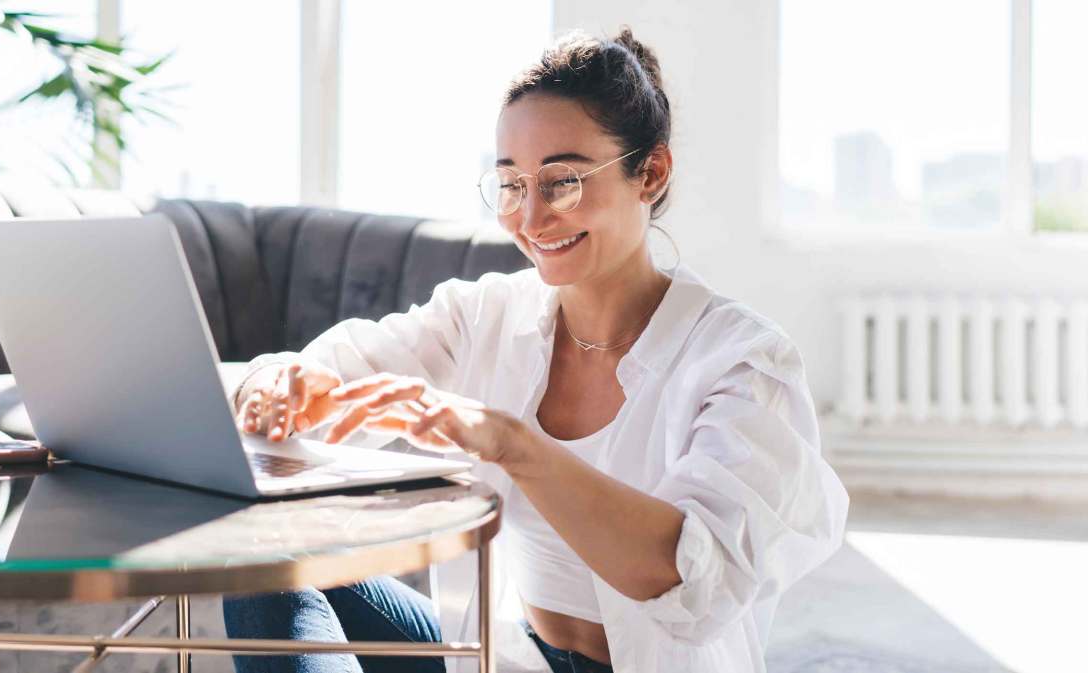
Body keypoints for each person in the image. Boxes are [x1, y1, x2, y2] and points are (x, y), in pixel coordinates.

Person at [223, 26, 848, 673]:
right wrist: (278, 383)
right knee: (263, 564)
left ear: (652, 172)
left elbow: (690, 578)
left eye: (563, 181)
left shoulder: (744, 361)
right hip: (512, 654)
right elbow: (334, 368)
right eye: (513, 185)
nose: (530, 217)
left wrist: (513, 445)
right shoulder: (488, 311)